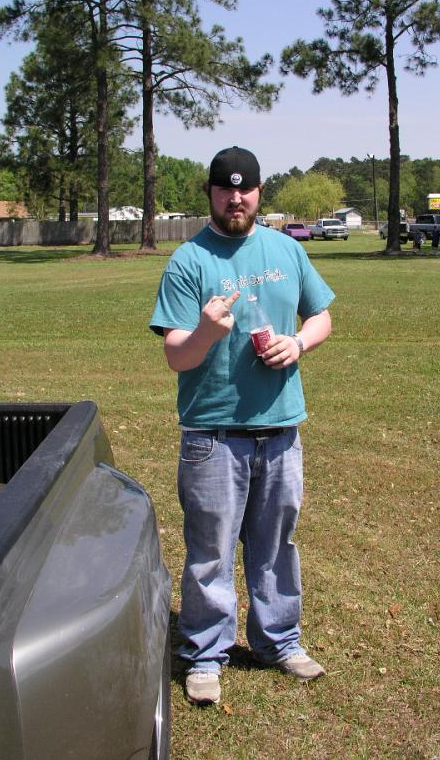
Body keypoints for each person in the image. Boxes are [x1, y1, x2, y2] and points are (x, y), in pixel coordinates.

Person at [149, 146, 335, 706]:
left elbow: (322, 315)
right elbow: (176, 355)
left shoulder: (286, 249)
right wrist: (207, 331)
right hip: (213, 435)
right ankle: (206, 654)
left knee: (276, 544)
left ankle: (280, 641)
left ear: (259, 193)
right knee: (210, 550)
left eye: (245, 189)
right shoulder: (189, 260)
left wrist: (297, 342)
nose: (236, 198)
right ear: (210, 193)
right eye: (226, 189)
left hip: (280, 429)